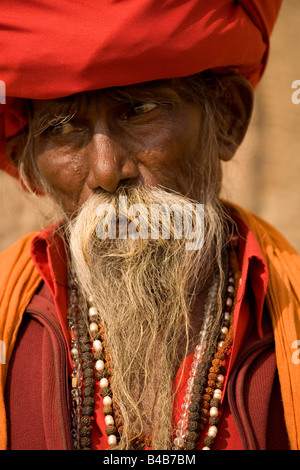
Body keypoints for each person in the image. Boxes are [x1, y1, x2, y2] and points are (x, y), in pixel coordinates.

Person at [0, 0, 299, 451]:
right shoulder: (10, 319)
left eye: (138, 109)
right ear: (30, 159)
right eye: (62, 129)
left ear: (229, 118)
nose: (106, 172)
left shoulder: (285, 315)